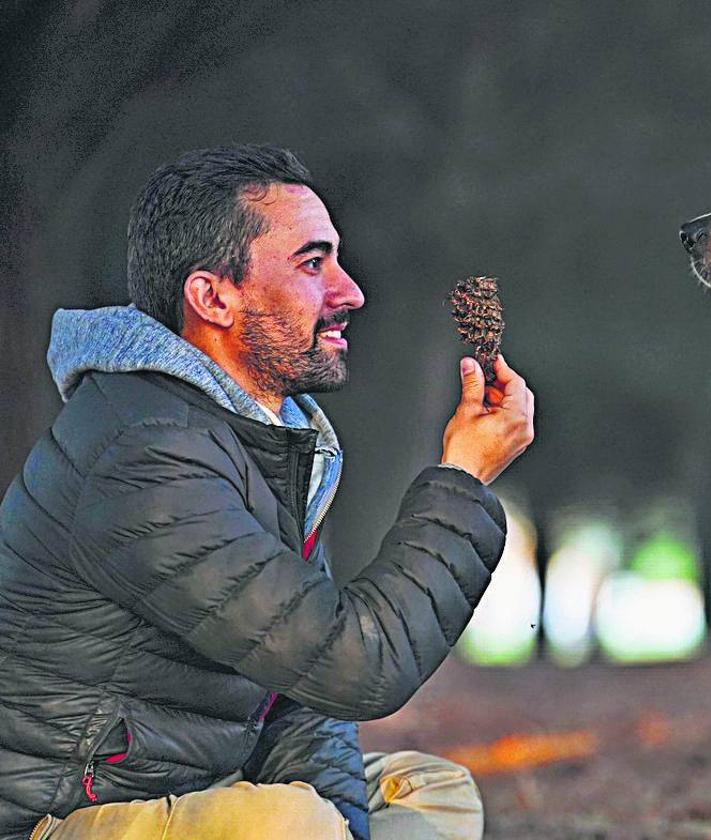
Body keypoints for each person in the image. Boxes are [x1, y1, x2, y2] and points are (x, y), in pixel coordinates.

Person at [0, 145, 535, 840]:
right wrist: (461, 481)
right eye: (313, 265)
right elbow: (356, 666)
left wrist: (348, 827)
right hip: (54, 820)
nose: (350, 292)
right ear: (213, 297)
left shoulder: (260, 437)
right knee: (287, 824)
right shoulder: (147, 455)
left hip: (190, 789)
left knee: (435, 790)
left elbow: (302, 698)